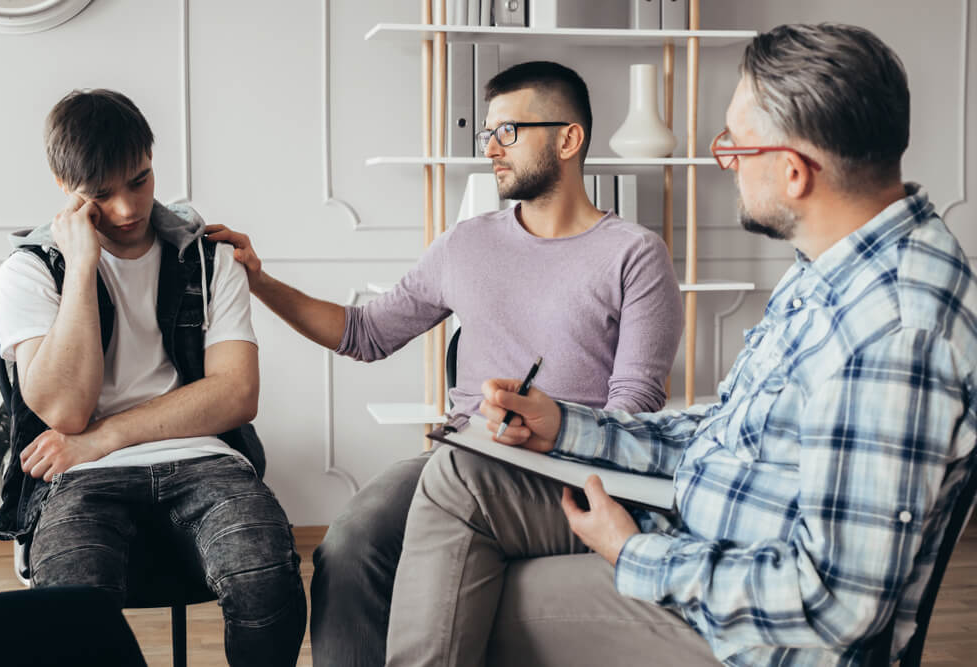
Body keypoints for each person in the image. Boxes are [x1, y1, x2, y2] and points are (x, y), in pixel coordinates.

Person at [387, 23, 977, 667]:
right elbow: (728, 430)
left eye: (735, 145)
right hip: (701, 535)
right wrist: (567, 427)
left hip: (746, 639)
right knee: (457, 484)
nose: (724, 162)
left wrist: (633, 553)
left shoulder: (894, 333)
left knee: (464, 603)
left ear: (792, 171)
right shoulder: (831, 268)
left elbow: (833, 603)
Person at [207, 60, 684, 665]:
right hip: (463, 459)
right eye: (487, 133)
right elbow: (364, 333)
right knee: (348, 542)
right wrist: (260, 280)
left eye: (508, 132)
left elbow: (635, 408)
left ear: (568, 138)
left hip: (572, 473)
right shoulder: (467, 244)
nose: (491, 149)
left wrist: (553, 424)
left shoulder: (635, 255)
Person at [0, 89, 306, 666]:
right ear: (66, 189)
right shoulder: (30, 271)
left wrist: (105, 437)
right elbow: (64, 412)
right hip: (76, 476)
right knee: (72, 604)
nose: (128, 209)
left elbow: (237, 393)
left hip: (202, 459)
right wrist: (83, 266)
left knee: (266, 574)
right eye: (101, 195)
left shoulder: (208, 257)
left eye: (139, 180)